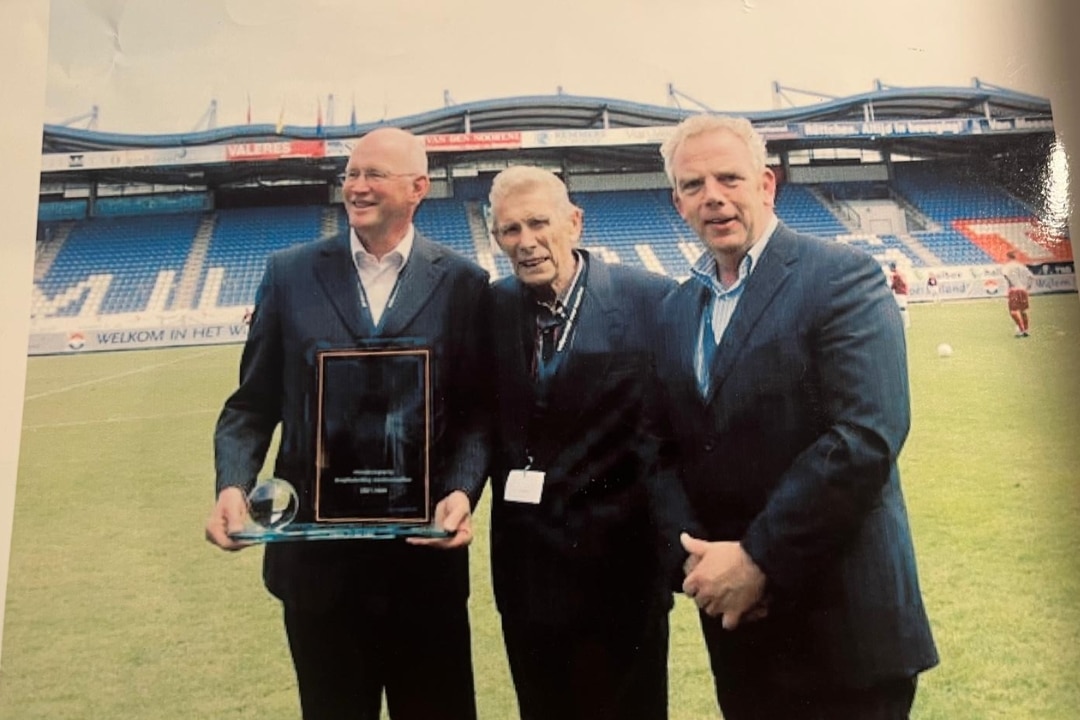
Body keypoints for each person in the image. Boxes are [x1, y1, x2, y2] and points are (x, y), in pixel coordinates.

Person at [654, 114, 938, 720]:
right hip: (740, 630)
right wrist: (698, 564)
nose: (713, 196)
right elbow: (662, 449)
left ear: (766, 184)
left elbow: (864, 436)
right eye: (693, 185)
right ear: (677, 202)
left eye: (729, 178)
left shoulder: (841, 276)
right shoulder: (676, 308)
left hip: (844, 631)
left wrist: (757, 558)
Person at [204, 127, 491, 720]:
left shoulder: (464, 282)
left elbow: (475, 415)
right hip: (319, 572)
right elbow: (251, 405)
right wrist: (232, 485)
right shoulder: (289, 273)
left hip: (422, 566)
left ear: (418, 187)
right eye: (351, 174)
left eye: (374, 175)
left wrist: (463, 491)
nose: (356, 187)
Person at [486, 166, 684, 720]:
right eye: (510, 230)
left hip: (623, 573)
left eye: (538, 224)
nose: (526, 242)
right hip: (527, 575)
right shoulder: (491, 308)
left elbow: (677, 434)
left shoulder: (652, 299)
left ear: (574, 222)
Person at [1002, 250, 1034, 337]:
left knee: (1013, 311)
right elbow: (1031, 276)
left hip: (1014, 290)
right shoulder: (1021, 266)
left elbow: (1006, 276)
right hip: (1023, 290)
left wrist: (1010, 288)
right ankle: (1026, 330)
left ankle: (1021, 329)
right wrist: (1027, 287)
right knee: (1023, 310)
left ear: (1008, 257)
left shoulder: (1007, 266)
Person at [888, 261, 911, 328]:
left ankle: (904, 323)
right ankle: (905, 323)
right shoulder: (900, 273)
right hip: (903, 292)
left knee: (901, 308)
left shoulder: (896, 275)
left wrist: (890, 288)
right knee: (902, 308)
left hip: (899, 293)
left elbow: (894, 285)